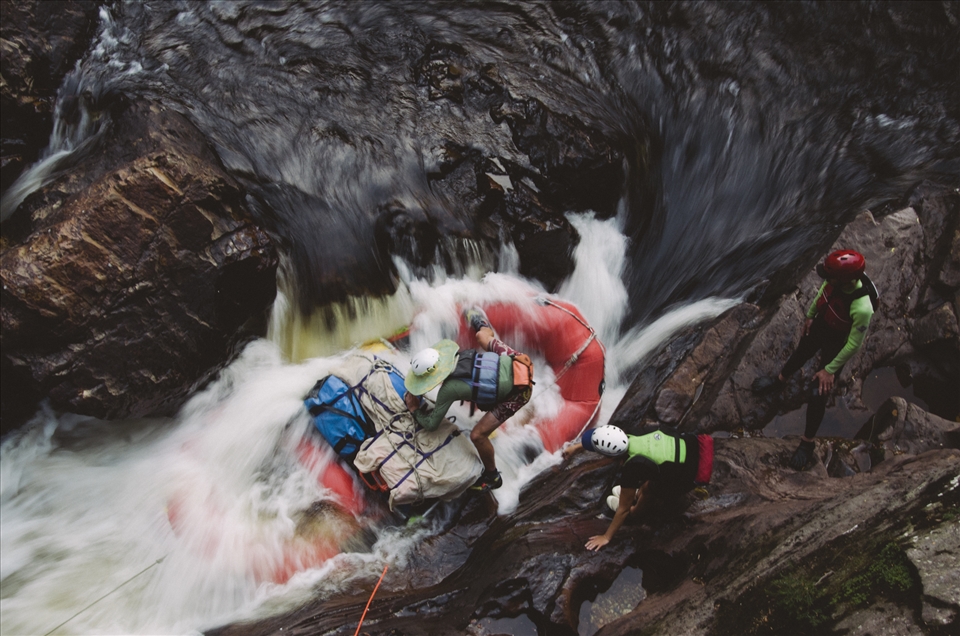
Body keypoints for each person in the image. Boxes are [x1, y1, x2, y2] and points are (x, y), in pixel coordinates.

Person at [752, 249, 876, 470]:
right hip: (822, 325)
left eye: (830, 276)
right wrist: (810, 316)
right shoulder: (834, 281)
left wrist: (829, 369)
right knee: (802, 351)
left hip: (838, 343)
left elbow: (854, 344)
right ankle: (779, 380)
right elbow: (822, 294)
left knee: (817, 392)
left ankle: (807, 443)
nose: (826, 278)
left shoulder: (862, 307)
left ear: (845, 279)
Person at [404, 309, 533, 491]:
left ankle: (493, 477)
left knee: (477, 435)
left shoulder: (449, 390)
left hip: (519, 392)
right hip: (517, 361)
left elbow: (432, 424)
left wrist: (414, 409)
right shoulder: (457, 356)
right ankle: (478, 320)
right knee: (482, 336)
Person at [563, 424, 714, 551]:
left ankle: (637, 512)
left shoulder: (633, 466)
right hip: (693, 449)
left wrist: (606, 537)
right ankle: (638, 494)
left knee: (649, 489)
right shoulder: (632, 433)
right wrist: (576, 447)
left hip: (687, 475)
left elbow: (623, 510)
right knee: (650, 478)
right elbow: (607, 441)